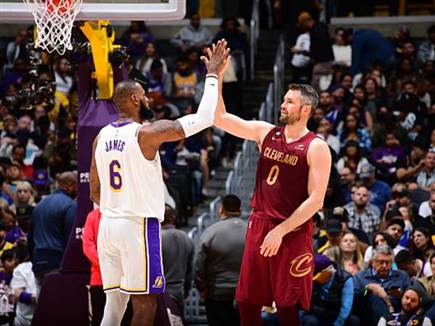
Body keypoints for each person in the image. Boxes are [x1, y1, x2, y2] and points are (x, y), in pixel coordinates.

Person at [89, 40, 229, 326]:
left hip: (108, 226)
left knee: (113, 307)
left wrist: (118, 206)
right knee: (145, 304)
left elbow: (94, 190)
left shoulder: (100, 136)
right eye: (146, 96)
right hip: (137, 226)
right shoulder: (147, 133)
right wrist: (213, 75)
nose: (150, 100)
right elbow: (204, 119)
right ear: (135, 100)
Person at [214, 63, 332, 324]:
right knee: (247, 300)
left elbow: (316, 200)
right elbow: (219, 118)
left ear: (305, 110)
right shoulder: (265, 132)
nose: (282, 105)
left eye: (289, 102)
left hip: (292, 230)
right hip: (259, 224)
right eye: (283, 100)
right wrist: (218, 77)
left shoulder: (316, 147)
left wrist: (280, 231)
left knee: (288, 305)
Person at [194, 194, 247, 326]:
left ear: (220, 209)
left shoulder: (211, 232)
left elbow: (199, 264)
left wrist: (201, 288)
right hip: (245, 293)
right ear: (240, 210)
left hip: (216, 293)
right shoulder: (251, 231)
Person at [28, 171, 77, 282]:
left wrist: (34, 260)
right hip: (58, 262)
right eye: (76, 187)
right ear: (69, 185)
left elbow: (30, 239)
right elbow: (70, 238)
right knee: (61, 298)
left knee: (43, 298)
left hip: (38, 262)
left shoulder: (39, 205)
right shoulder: (70, 204)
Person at [353, 245, 411, 325]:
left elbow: (410, 296)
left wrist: (400, 295)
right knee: (375, 299)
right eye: (380, 262)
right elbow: (355, 299)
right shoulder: (360, 276)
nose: (384, 266)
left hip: (397, 312)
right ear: (372, 262)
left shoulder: (402, 276)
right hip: (367, 314)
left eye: (387, 262)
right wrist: (367, 289)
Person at [301, 254, 358, 326]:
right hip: (317, 313)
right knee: (310, 321)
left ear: (327, 272)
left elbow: (345, 307)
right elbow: (303, 304)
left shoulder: (345, 279)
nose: (314, 278)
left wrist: (337, 324)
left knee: (353, 320)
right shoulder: (309, 276)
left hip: (335, 313)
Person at [161, 204, 194, 310]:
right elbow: (190, 270)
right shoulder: (186, 238)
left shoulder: (155, 239)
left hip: (160, 292)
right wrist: (187, 290)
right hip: (179, 290)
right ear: (173, 218)